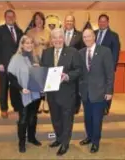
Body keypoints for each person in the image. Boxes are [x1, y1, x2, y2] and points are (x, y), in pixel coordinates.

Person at [40, 28, 82, 156]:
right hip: (52, 93)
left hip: (67, 92)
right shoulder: (46, 52)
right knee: (55, 118)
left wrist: (68, 76)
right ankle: (58, 138)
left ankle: (65, 143)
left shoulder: (73, 52)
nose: (57, 40)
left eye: (59, 37)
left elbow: (79, 70)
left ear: (63, 38)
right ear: (51, 40)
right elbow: (43, 71)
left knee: (66, 119)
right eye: (54, 37)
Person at [78, 29, 115, 153]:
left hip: (100, 91)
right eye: (84, 37)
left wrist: (109, 91)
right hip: (85, 92)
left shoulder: (105, 51)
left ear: (94, 37)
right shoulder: (81, 52)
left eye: (89, 36)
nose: (87, 39)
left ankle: (95, 141)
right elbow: (80, 73)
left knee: (97, 119)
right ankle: (89, 137)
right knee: (87, 118)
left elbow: (110, 73)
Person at [8, 35, 42, 153]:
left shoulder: (35, 57)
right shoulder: (16, 58)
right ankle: (21, 143)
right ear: (22, 45)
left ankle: (32, 138)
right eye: (26, 43)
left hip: (35, 92)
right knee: (23, 118)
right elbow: (11, 77)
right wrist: (21, 89)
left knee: (33, 116)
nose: (29, 45)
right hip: (21, 93)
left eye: (31, 43)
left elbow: (38, 75)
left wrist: (38, 69)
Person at [0, 9, 23, 118]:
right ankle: (3, 108)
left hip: (15, 65)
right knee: (3, 86)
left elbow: (21, 48)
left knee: (15, 87)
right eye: (8, 16)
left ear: (15, 18)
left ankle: (16, 106)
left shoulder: (19, 31)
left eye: (12, 16)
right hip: (3, 65)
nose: (10, 18)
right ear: (5, 18)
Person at [94, 13, 120, 115]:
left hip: (106, 68)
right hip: (94, 68)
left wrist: (111, 68)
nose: (102, 23)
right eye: (100, 21)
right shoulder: (94, 33)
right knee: (96, 88)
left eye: (104, 21)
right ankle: (97, 105)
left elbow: (115, 53)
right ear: (98, 22)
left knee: (107, 88)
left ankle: (106, 108)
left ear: (108, 22)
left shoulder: (114, 36)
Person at [26, 11, 51, 114]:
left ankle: (45, 102)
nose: (39, 21)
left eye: (40, 19)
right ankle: (37, 103)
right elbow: (27, 47)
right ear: (34, 20)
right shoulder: (30, 32)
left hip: (46, 60)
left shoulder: (48, 32)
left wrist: (46, 43)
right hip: (34, 60)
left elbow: (51, 46)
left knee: (45, 83)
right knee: (37, 83)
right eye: (36, 19)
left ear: (43, 21)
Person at [64, 14, 84, 114]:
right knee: (64, 88)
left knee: (76, 88)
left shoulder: (80, 35)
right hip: (62, 66)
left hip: (75, 66)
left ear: (74, 22)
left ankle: (76, 107)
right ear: (64, 22)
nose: (69, 23)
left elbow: (83, 50)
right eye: (67, 21)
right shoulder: (60, 34)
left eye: (71, 21)